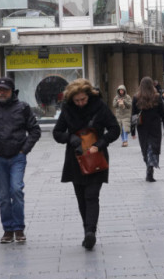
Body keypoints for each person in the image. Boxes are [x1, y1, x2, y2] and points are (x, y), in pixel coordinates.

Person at [52, 79, 120, 250]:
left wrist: (100, 144)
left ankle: (91, 232)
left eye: (83, 99)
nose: (81, 103)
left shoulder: (99, 107)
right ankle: (87, 231)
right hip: (76, 159)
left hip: (96, 157)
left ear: (88, 95)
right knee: (81, 197)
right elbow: (57, 132)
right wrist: (70, 138)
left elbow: (114, 129)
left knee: (91, 195)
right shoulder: (67, 109)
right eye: (77, 100)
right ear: (71, 99)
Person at [0, 76, 41, 244]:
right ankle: (7, 230)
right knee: (4, 196)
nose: (2, 93)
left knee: (16, 190)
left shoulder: (23, 108)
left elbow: (35, 130)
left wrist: (24, 150)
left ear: (12, 91)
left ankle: (19, 228)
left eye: (5, 90)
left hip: (17, 157)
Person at [132, 76, 164, 182]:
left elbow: (133, 116)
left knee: (145, 149)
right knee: (153, 148)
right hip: (155, 128)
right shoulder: (157, 97)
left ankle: (149, 166)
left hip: (142, 128)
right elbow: (163, 114)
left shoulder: (136, 97)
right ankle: (150, 168)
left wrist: (132, 131)